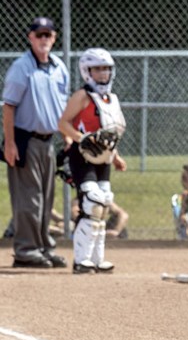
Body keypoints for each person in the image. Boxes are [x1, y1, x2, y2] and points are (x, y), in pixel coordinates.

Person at [2, 16, 70, 269]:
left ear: (53, 38)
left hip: (48, 141)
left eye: (48, 35)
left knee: (47, 198)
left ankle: (44, 247)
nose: (43, 39)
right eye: (38, 34)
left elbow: (62, 107)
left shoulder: (58, 67)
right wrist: (10, 144)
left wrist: (67, 138)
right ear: (30, 37)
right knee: (30, 198)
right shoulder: (22, 67)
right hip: (25, 139)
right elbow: (8, 107)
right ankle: (26, 250)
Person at [57, 47, 129, 273]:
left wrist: (115, 156)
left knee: (104, 203)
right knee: (92, 203)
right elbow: (63, 123)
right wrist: (81, 138)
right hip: (82, 157)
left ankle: (97, 259)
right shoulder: (82, 96)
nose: (103, 74)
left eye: (106, 69)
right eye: (97, 69)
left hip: (104, 159)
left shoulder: (111, 99)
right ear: (87, 71)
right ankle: (81, 260)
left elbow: (110, 133)